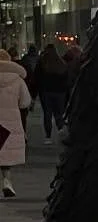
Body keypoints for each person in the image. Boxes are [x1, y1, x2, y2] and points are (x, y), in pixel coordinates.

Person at [0, 48, 33, 199]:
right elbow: (25, 102)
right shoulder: (17, 80)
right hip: (10, 121)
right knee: (6, 155)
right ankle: (7, 180)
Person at [34, 43, 69, 141]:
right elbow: (66, 79)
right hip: (60, 92)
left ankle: (48, 136)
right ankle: (61, 129)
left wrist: (34, 94)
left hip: (46, 92)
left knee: (47, 114)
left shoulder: (42, 62)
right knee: (59, 113)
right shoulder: (61, 63)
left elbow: (36, 78)